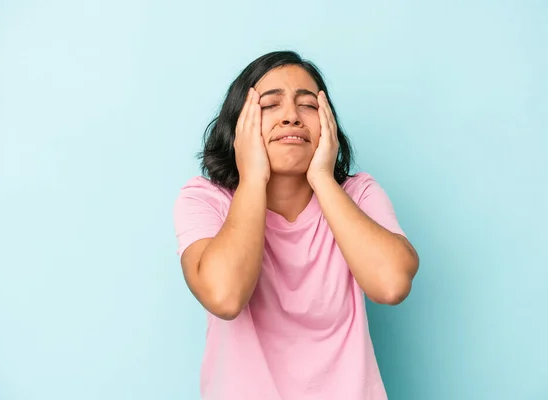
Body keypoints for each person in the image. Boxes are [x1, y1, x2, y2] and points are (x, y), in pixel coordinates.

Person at [173, 50, 419, 400]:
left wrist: (321, 177)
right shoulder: (205, 200)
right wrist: (253, 177)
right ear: (239, 123)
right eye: (270, 105)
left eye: (308, 105)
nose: (291, 116)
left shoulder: (359, 193)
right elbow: (225, 297)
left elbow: (391, 284)